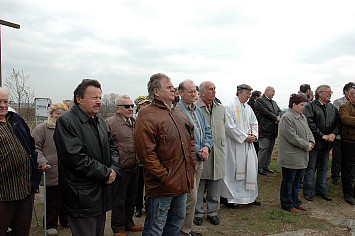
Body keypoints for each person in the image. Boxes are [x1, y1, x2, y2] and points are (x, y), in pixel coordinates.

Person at [53, 79, 121, 236]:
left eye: (100, 97)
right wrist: (106, 173)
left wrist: (115, 169)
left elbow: (112, 147)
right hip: (81, 196)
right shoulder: (66, 121)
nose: (98, 102)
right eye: (94, 98)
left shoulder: (99, 120)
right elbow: (75, 158)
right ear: (79, 99)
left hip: (100, 193)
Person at [134, 73, 196, 236]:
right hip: (162, 186)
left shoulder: (178, 111)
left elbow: (190, 141)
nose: (173, 89)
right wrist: (164, 176)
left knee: (175, 224)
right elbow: (146, 153)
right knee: (155, 228)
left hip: (182, 182)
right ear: (156, 91)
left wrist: (190, 168)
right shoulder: (147, 114)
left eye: (172, 87)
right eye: (168, 87)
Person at [0, 87, 42, 236]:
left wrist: (35, 163)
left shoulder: (15, 119)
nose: (3, 105)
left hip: (24, 189)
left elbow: (30, 144)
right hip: (3, 193)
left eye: (5, 101)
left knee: (22, 230)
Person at [178, 80, 213, 236]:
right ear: (180, 92)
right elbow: (180, 138)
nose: (194, 95)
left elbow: (207, 131)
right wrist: (197, 150)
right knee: (188, 198)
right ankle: (182, 231)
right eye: (190, 92)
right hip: (187, 161)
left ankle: (186, 229)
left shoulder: (197, 110)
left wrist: (206, 147)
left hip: (200, 160)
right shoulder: (177, 111)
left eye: (195, 92)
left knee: (193, 197)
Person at [106, 95, 143, 236]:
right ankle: (118, 228)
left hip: (134, 167)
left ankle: (129, 223)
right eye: (126, 106)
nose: (130, 108)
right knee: (119, 200)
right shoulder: (109, 123)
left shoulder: (134, 122)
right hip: (120, 169)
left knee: (131, 198)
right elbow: (106, 146)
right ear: (118, 109)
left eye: (132, 106)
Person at [220, 84, 261, 208]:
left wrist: (253, 135)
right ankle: (232, 198)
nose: (249, 96)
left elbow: (254, 122)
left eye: (249, 94)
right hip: (234, 146)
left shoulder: (248, 108)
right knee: (233, 172)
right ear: (239, 92)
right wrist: (244, 137)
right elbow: (229, 127)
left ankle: (249, 197)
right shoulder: (229, 107)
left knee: (250, 169)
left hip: (248, 146)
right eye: (247, 93)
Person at [32, 103, 69, 235]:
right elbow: (35, 147)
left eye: (62, 113)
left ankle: (66, 220)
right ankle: (50, 224)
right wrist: (42, 161)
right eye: (57, 113)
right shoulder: (42, 128)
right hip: (50, 169)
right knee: (52, 199)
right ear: (51, 114)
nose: (59, 115)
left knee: (66, 198)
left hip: (66, 170)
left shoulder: (67, 128)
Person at [194, 81, 225, 226]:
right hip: (202, 152)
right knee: (199, 185)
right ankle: (198, 212)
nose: (214, 92)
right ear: (202, 92)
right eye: (210, 89)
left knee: (215, 184)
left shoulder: (220, 108)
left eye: (214, 89)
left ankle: (213, 212)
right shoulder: (195, 108)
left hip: (218, 151)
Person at [278, 94, 315, 213]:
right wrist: (306, 145)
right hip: (291, 155)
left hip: (301, 155)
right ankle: (287, 203)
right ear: (294, 105)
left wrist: (311, 142)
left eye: (304, 105)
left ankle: (296, 201)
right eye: (301, 105)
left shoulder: (302, 117)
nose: (303, 107)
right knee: (289, 181)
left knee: (297, 181)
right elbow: (291, 136)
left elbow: (308, 131)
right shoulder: (287, 118)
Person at [303, 85, 340, 202]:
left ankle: (322, 190)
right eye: (328, 92)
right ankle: (308, 191)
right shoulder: (310, 106)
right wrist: (321, 135)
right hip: (315, 142)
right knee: (311, 167)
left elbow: (338, 123)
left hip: (327, 143)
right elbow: (309, 122)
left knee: (323, 167)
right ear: (319, 93)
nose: (330, 94)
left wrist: (333, 134)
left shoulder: (333, 108)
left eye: (331, 92)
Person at [331, 82, 355, 185]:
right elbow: (343, 118)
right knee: (338, 158)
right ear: (346, 92)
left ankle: (351, 178)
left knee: (350, 162)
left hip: (351, 137)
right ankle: (335, 177)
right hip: (340, 135)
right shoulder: (339, 103)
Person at [255, 86, 282, 175]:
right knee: (263, 148)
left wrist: (278, 117)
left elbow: (279, 111)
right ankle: (259, 167)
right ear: (267, 91)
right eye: (273, 91)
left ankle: (266, 166)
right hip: (264, 129)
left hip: (273, 129)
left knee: (270, 149)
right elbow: (264, 112)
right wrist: (275, 118)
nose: (274, 93)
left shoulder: (274, 102)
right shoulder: (260, 101)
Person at [133, 95, 151, 217]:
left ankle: (149, 206)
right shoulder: (133, 120)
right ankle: (138, 207)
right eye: (142, 105)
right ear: (138, 107)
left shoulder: (152, 119)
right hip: (137, 159)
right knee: (138, 186)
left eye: (147, 104)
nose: (145, 107)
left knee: (149, 185)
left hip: (149, 159)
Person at [338, 86, 355, 205]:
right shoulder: (344, 107)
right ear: (350, 96)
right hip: (348, 141)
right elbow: (345, 120)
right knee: (347, 168)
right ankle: (348, 193)